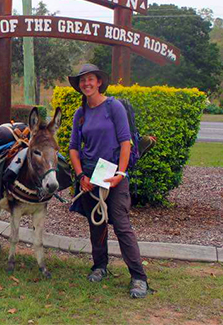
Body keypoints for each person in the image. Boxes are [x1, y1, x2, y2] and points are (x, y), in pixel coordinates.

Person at [68, 64, 149, 299]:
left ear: (99, 82)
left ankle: (138, 277)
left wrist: (120, 174)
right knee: (97, 225)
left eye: (90, 79)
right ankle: (100, 266)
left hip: (114, 175)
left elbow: (125, 142)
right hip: (92, 177)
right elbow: (74, 148)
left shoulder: (113, 107)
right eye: (83, 81)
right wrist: (81, 175)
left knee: (122, 226)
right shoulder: (80, 113)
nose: (87, 84)